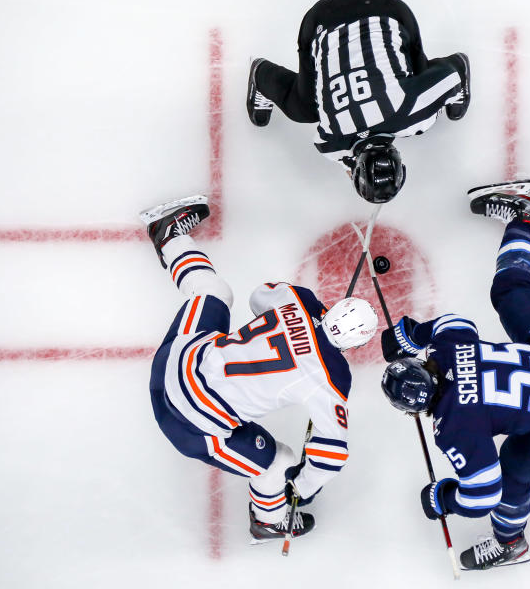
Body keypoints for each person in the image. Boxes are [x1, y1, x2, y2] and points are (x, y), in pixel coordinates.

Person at [379, 180, 530, 570]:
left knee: (514, 475)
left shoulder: (454, 429)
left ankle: (510, 543)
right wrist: (409, 334)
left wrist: (445, 499)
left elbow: (484, 492)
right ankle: (522, 218)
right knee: (508, 290)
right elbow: (455, 322)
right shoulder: (445, 350)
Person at [140, 195, 378, 542]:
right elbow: (332, 454)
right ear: (355, 345)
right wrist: (300, 487)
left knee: (213, 291)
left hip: (176, 360)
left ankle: (170, 236)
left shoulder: (299, 302)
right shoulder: (330, 379)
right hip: (186, 423)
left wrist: (304, 315)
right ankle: (268, 521)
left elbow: (259, 297)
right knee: (278, 463)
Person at [245, 0, 471, 204]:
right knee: (303, 109)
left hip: (386, 9)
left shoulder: (416, 117)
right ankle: (260, 73)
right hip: (319, 21)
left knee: (416, 76)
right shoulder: (331, 142)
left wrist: (443, 93)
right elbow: (337, 147)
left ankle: (451, 77)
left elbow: (451, 76)